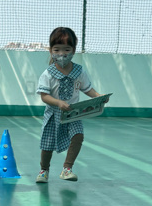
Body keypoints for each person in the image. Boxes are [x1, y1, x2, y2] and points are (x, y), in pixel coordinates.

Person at [35, 27, 103, 183]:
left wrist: (99, 97)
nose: (62, 54)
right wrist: (58, 102)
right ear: (51, 50)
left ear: (73, 50)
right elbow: (44, 96)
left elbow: (88, 89)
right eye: (57, 50)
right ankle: (44, 170)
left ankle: (67, 169)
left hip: (73, 113)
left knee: (78, 136)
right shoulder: (48, 73)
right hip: (53, 114)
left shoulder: (79, 71)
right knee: (47, 145)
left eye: (66, 49)